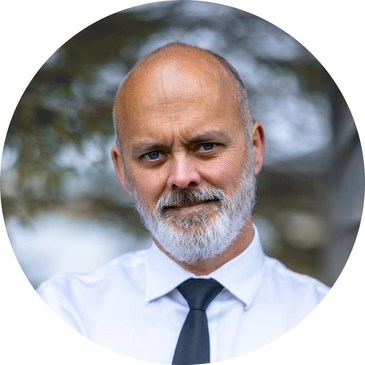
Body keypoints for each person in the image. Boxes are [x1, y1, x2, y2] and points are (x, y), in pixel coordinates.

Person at [34, 42, 333, 364]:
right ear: (123, 171)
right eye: (153, 155)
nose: (181, 177)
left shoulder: (312, 309)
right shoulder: (67, 313)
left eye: (206, 146)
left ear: (255, 148)